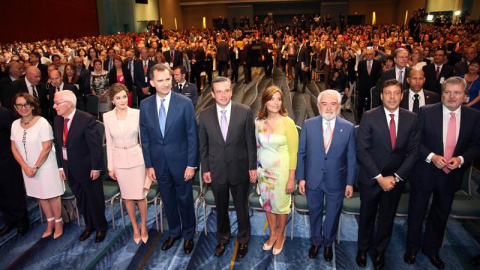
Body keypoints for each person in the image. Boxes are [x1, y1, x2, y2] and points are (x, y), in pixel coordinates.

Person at [405, 77, 480, 269]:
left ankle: (432, 250)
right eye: (447, 92)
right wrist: (431, 156)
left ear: (465, 96)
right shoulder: (425, 112)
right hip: (424, 172)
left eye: (457, 93)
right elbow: (414, 142)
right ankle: (411, 249)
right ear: (442, 92)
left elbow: (475, 146)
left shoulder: (473, 116)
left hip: (451, 175)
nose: (452, 96)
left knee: (440, 214)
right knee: (416, 212)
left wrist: (461, 159)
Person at [356, 79, 420, 269]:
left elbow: (414, 152)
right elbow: (363, 150)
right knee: (366, 215)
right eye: (388, 93)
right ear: (381, 96)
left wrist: (397, 177)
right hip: (371, 178)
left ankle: (380, 252)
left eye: (396, 93)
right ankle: (362, 248)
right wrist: (379, 178)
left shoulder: (412, 118)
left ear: (401, 96)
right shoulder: (369, 116)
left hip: (395, 180)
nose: (392, 97)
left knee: (387, 217)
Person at [140, 64, 198, 254]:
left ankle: (189, 234)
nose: (165, 84)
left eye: (168, 79)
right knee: (168, 200)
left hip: (182, 164)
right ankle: (174, 232)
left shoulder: (184, 103)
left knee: (185, 200)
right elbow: (145, 138)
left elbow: (192, 136)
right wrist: (149, 165)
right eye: (160, 80)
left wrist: (191, 164)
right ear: (151, 83)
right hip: (159, 164)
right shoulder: (145, 104)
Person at [198, 76, 256, 258]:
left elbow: (250, 143)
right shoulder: (205, 115)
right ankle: (223, 238)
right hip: (216, 171)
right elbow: (203, 146)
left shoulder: (245, 111)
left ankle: (244, 239)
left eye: (226, 90)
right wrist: (206, 169)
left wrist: (252, 166)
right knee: (220, 207)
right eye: (219, 92)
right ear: (213, 94)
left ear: (231, 91)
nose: (223, 95)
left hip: (240, 168)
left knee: (241, 207)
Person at [297, 89, 356, 261]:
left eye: (333, 104)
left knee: (332, 215)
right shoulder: (309, 124)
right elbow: (301, 153)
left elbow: (351, 158)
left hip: (336, 181)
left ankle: (328, 243)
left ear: (339, 106)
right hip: (312, 179)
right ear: (318, 106)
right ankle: (316, 241)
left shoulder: (348, 128)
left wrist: (350, 183)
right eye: (325, 104)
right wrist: (301, 178)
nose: (329, 108)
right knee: (314, 212)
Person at [52, 90, 107, 243]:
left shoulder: (86, 119)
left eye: (57, 103)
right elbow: (58, 145)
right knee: (81, 200)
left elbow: (95, 147)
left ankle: (101, 227)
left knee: (94, 199)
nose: (54, 106)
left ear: (68, 103)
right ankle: (89, 226)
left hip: (88, 169)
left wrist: (96, 168)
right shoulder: (57, 120)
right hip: (69, 169)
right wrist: (61, 167)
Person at [10, 93, 65, 239]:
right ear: (15, 107)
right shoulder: (15, 124)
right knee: (41, 195)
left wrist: (34, 167)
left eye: (27, 104)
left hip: (45, 166)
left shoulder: (42, 123)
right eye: (19, 105)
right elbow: (14, 148)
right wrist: (25, 166)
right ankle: (50, 222)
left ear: (33, 105)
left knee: (52, 195)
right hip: (27, 168)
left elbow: (47, 147)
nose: (24, 108)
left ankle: (59, 222)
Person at [255, 86, 298, 255]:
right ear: (265, 101)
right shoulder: (259, 121)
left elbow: (293, 153)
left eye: (279, 99)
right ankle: (272, 233)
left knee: (281, 206)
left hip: (282, 173)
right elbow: (257, 147)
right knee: (267, 203)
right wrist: (257, 171)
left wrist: (291, 178)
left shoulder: (288, 123)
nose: (275, 102)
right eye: (272, 99)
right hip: (264, 172)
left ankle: (281, 235)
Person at [104, 84, 148, 244]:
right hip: (119, 161)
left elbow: (144, 140)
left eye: (124, 96)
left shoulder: (137, 113)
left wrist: (149, 163)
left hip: (137, 159)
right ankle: (135, 227)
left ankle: (143, 226)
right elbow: (108, 143)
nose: (122, 100)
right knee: (127, 198)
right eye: (118, 98)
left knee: (140, 196)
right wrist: (110, 167)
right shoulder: (107, 117)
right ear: (112, 100)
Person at [0, 104, 29, 237]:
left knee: (14, 192)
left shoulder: (6, 114)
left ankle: (22, 222)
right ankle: (9, 221)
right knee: (2, 195)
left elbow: (15, 138)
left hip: (8, 161)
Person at [356, 49, 382, 122]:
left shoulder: (377, 63)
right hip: (363, 87)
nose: (368, 56)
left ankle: (371, 119)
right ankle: (359, 119)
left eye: (370, 54)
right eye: (366, 54)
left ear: (373, 55)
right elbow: (360, 75)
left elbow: (378, 75)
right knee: (360, 104)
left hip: (373, 87)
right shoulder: (361, 63)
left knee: (371, 104)